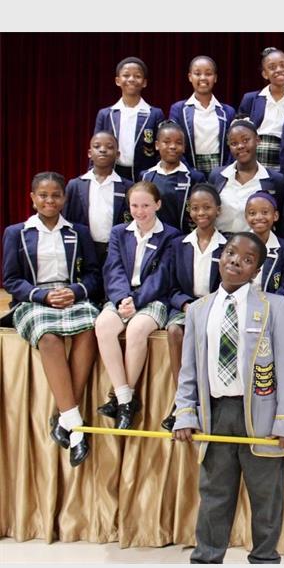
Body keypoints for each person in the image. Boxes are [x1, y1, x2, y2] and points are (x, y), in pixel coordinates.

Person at [172, 232, 284, 564]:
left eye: (247, 260)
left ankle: (264, 560)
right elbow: (189, 370)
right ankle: (206, 560)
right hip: (217, 413)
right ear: (220, 256)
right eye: (230, 253)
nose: (235, 262)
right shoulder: (199, 310)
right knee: (214, 494)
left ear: (256, 271)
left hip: (261, 417)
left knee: (266, 497)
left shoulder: (276, 307)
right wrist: (185, 414)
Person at [2, 172, 101, 467]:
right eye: (43, 195)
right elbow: (10, 279)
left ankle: (63, 418)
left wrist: (73, 291)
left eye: (55, 195)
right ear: (32, 198)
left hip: (71, 297)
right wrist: (41, 296)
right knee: (47, 336)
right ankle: (75, 424)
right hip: (34, 300)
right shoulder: (16, 232)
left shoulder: (78, 232)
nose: (49, 200)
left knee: (91, 329)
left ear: (64, 199)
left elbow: (93, 275)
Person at [95, 181, 180, 429]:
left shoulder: (171, 236)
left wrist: (137, 300)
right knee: (103, 325)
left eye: (145, 205)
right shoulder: (118, 233)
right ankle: (125, 398)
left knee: (136, 330)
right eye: (134, 205)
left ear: (158, 205)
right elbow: (113, 270)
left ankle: (123, 400)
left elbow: (163, 276)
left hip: (152, 298)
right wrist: (122, 298)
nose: (140, 211)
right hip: (123, 296)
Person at [160, 183, 227, 432]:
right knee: (175, 331)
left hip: (216, 306)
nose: (202, 213)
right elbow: (171, 288)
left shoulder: (227, 244)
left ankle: (207, 401)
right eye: (196, 208)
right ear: (189, 211)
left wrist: (207, 306)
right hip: (187, 306)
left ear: (217, 210)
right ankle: (182, 403)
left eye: (207, 208)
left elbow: (230, 285)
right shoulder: (179, 244)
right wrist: (185, 304)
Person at [64, 131, 133, 265]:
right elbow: (67, 217)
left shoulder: (127, 186)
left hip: (115, 250)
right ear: (90, 153)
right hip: (84, 248)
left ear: (117, 154)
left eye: (109, 147)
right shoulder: (75, 185)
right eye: (97, 146)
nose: (103, 150)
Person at [208, 117, 284, 235]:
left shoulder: (276, 181)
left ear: (257, 140)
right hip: (220, 242)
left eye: (245, 140)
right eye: (234, 143)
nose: (240, 146)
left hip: (255, 244)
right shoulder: (217, 176)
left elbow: (279, 222)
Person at [238, 47, 284, 179]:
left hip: (282, 162)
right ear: (265, 74)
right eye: (272, 67)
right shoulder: (250, 99)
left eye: (283, 65)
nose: (279, 70)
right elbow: (239, 132)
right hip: (253, 157)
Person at [94, 56, 164, 181]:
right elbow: (96, 147)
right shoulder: (106, 114)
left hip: (144, 175)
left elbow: (160, 151)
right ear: (117, 80)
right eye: (126, 75)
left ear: (144, 82)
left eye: (137, 76)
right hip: (112, 174)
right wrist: (92, 175)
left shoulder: (155, 114)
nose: (131, 79)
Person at [168, 55, 236, 176]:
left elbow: (233, 145)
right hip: (189, 169)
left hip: (221, 170)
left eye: (208, 74)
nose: (203, 78)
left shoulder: (228, 111)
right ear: (190, 77)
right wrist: (190, 172)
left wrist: (225, 171)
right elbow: (175, 143)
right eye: (197, 73)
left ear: (215, 78)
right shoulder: (178, 109)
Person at [140, 120, 205, 233]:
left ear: (184, 147)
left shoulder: (195, 178)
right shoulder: (145, 176)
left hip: (183, 239)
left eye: (178, 143)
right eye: (167, 142)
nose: (173, 146)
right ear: (157, 145)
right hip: (152, 239)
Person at [244, 190, 284, 295]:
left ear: (275, 216)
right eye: (252, 213)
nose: (259, 217)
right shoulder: (239, 244)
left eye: (265, 212)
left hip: (272, 305)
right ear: (246, 217)